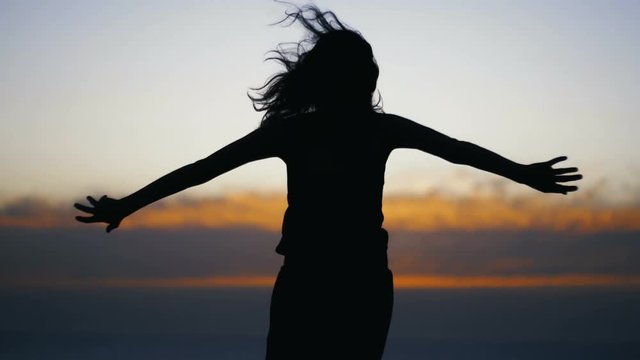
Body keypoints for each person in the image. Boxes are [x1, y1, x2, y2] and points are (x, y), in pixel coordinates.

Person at [74, 5, 582, 359]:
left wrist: (524, 173)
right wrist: (128, 204)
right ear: (355, 80)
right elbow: (203, 169)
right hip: (325, 281)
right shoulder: (331, 130)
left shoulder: (360, 129)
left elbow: (460, 152)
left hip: (345, 281)